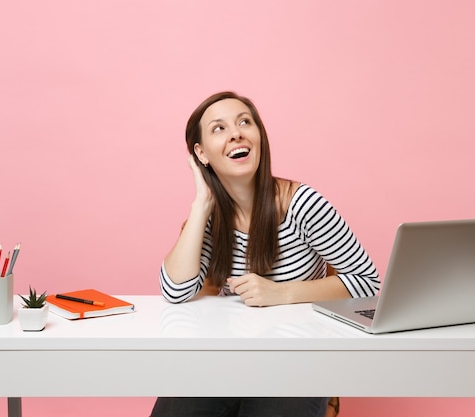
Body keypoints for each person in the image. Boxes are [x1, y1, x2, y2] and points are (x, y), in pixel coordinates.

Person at [152, 91, 380, 417]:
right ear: (201, 153)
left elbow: (367, 284)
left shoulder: (301, 204)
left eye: (245, 122)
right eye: (219, 128)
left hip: (295, 363)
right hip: (222, 361)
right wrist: (201, 202)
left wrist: (281, 293)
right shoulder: (208, 218)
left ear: (259, 136)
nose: (236, 133)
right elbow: (176, 292)